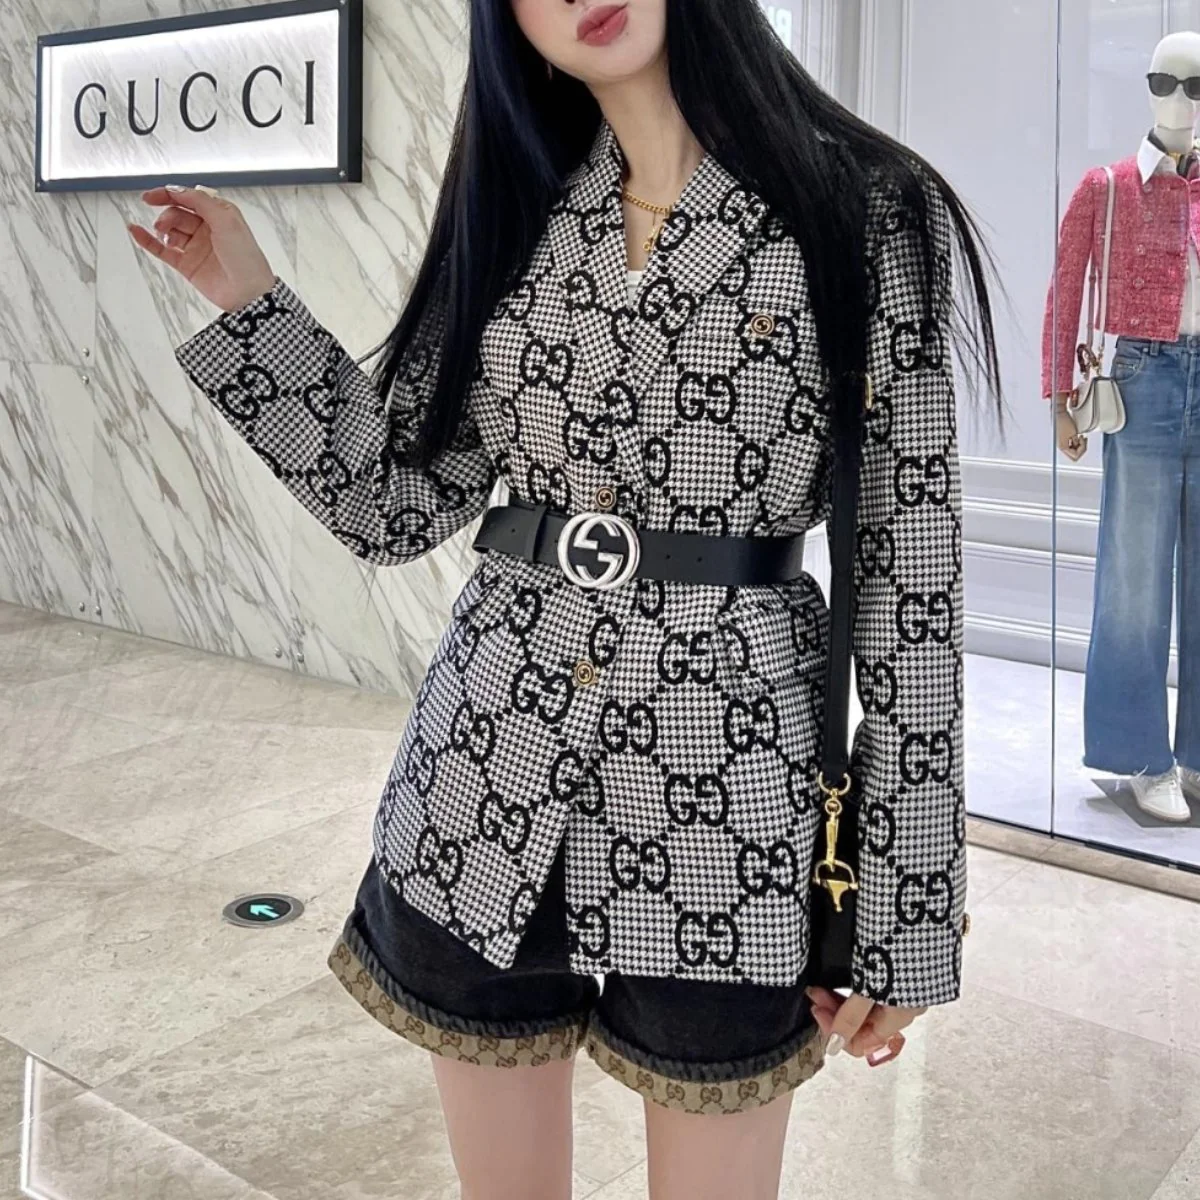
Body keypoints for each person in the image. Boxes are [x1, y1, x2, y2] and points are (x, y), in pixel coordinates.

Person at [130, 2, 1000, 1197]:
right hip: (488, 767)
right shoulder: (520, 203)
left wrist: (909, 910)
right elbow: (396, 502)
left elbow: (912, 582)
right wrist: (247, 297)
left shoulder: (864, 206)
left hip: (726, 794)